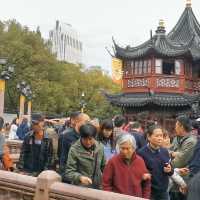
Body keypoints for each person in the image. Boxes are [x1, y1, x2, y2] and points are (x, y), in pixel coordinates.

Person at [102, 134, 151, 198]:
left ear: (133, 148)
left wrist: (145, 198)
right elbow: (106, 184)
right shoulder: (112, 162)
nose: (125, 151)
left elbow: (146, 183)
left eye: (128, 148)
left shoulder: (140, 161)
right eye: (122, 148)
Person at [65, 123, 106, 189]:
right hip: (81, 188)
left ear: (94, 137)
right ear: (81, 137)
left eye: (90, 139)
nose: (88, 142)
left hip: (97, 186)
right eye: (85, 139)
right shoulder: (74, 149)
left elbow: (104, 166)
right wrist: (80, 177)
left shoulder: (100, 147)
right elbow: (69, 172)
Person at [138, 124, 173, 200]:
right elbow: (138, 174)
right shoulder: (141, 153)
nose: (160, 138)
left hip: (164, 192)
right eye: (157, 136)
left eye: (161, 136)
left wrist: (170, 170)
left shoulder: (164, 151)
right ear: (149, 137)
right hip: (150, 192)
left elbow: (170, 171)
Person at [59, 112, 90, 177]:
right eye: (86, 122)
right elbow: (62, 156)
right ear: (77, 121)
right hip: (70, 174)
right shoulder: (65, 136)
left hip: (84, 175)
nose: (88, 124)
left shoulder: (88, 136)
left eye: (89, 122)